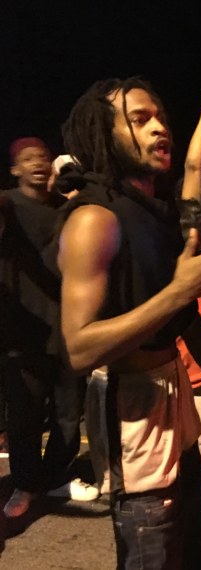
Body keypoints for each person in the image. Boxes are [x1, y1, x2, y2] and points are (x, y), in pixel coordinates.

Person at [56, 77, 201, 569]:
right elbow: (78, 349)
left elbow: (183, 318)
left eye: (159, 116)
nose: (158, 127)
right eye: (139, 119)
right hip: (134, 412)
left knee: (189, 553)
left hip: (177, 401)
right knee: (152, 555)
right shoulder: (94, 219)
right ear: (105, 134)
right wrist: (180, 288)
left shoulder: (155, 212)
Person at [0, 137, 97, 519]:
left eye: (42, 156)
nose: (37, 163)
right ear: (15, 169)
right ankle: (25, 483)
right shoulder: (8, 203)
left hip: (69, 329)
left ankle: (56, 475)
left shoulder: (66, 208)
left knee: (69, 414)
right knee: (24, 416)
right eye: (27, 159)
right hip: (22, 332)